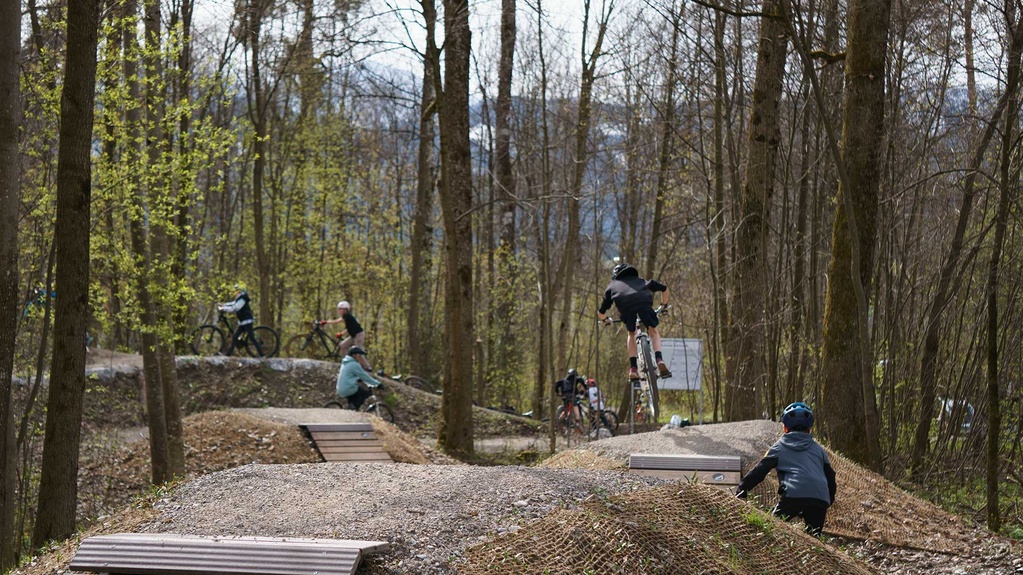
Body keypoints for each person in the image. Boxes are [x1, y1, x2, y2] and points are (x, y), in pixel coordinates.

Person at [734, 402, 837, 537]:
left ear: (785, 428)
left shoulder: (779, 447)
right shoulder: (818, 449)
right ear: (809, 429)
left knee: (771, 530)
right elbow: (830, 476)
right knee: (814, 538)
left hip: (794, 495)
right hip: (820, 497)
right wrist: (827, 500)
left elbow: (759, 471)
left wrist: (742, 490)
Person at [597, 263, 672, 380]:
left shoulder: (612, 286)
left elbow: (600, 312)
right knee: (653, 331)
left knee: (632, 333)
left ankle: (633, 369)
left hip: (626, 307)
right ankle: (659, 359)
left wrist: (605, 320)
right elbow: (665, 289)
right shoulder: (640, 281)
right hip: (643, 302)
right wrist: (664, 306)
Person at [321, 300, 369, 369]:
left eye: (341, 309)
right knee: (343, 345)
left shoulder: (347, 316)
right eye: (339, 309)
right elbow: (349, 328)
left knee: (357, 351)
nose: (339, 311)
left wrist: (326, 322)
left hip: (359, 335)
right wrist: (341, 334)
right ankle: (346, 363)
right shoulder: (347, 317)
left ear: (345, 310)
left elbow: (337, 321)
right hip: (353, 335)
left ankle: (367, 367)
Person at [219, 284, 263, 356]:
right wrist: (223, 305)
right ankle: (228, 354)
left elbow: (236, 308)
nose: (234, 293)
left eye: (236, 291)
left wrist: (224, 309)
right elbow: (233, 303)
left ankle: (262, 355)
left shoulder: (242, 299)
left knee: (252, 338)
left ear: (239, 291)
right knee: (235, 337)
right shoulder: (239, 299)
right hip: (243, 322)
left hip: (247, 321)